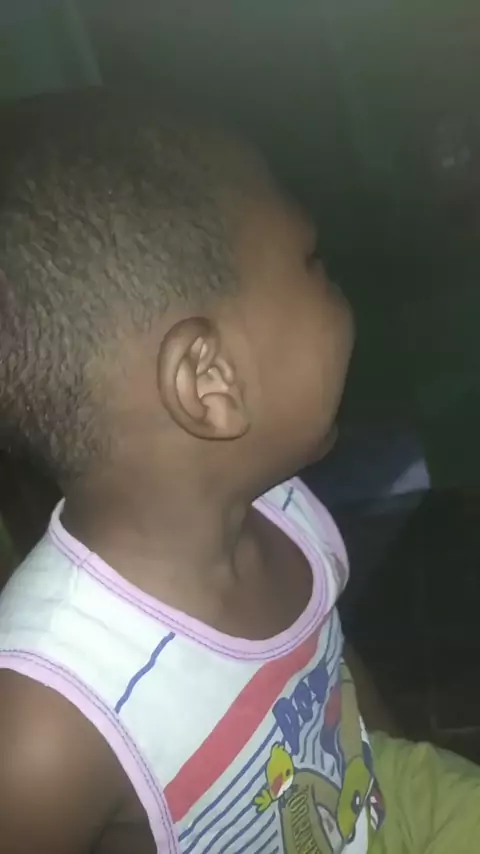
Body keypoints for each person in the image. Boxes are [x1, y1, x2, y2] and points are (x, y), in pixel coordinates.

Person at [0, 91, 478, 854]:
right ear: (209, 380)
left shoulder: (279, 506)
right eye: (311, 263)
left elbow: (328, 677)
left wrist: (391, 768)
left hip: (377, 802)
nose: (336, 289)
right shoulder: (50, 717)